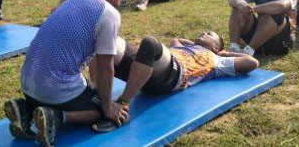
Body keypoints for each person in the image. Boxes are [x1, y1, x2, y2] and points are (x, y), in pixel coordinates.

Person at [3, 0, 127, 147]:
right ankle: (56, 117)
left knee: (79, 90)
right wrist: (108, 106)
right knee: (103, 107)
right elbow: (105, 67)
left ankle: (26, 109)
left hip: (27, 85)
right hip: (54, 89)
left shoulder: (73, 1)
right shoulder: (109, 13)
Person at [89, 31, 258, 132]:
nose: (203, 33)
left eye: (209, 34)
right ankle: (95, 97)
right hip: (147, 70)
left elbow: (252, 63)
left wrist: (224, 53)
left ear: (216, 47)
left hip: (172, 77)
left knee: (150, 44)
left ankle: (122, 104)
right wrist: (193, 43)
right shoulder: (183, 47)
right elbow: (176, 40)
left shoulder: (217, 60)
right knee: (105, 39)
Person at [227, 0, 296, 57]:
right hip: (260, 36)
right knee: (238, 7)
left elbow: (282, 6)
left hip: (279, 42)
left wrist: (253, 9)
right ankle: (234, 48)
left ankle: (248, 51)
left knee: (273, 13)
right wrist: (240, 4)